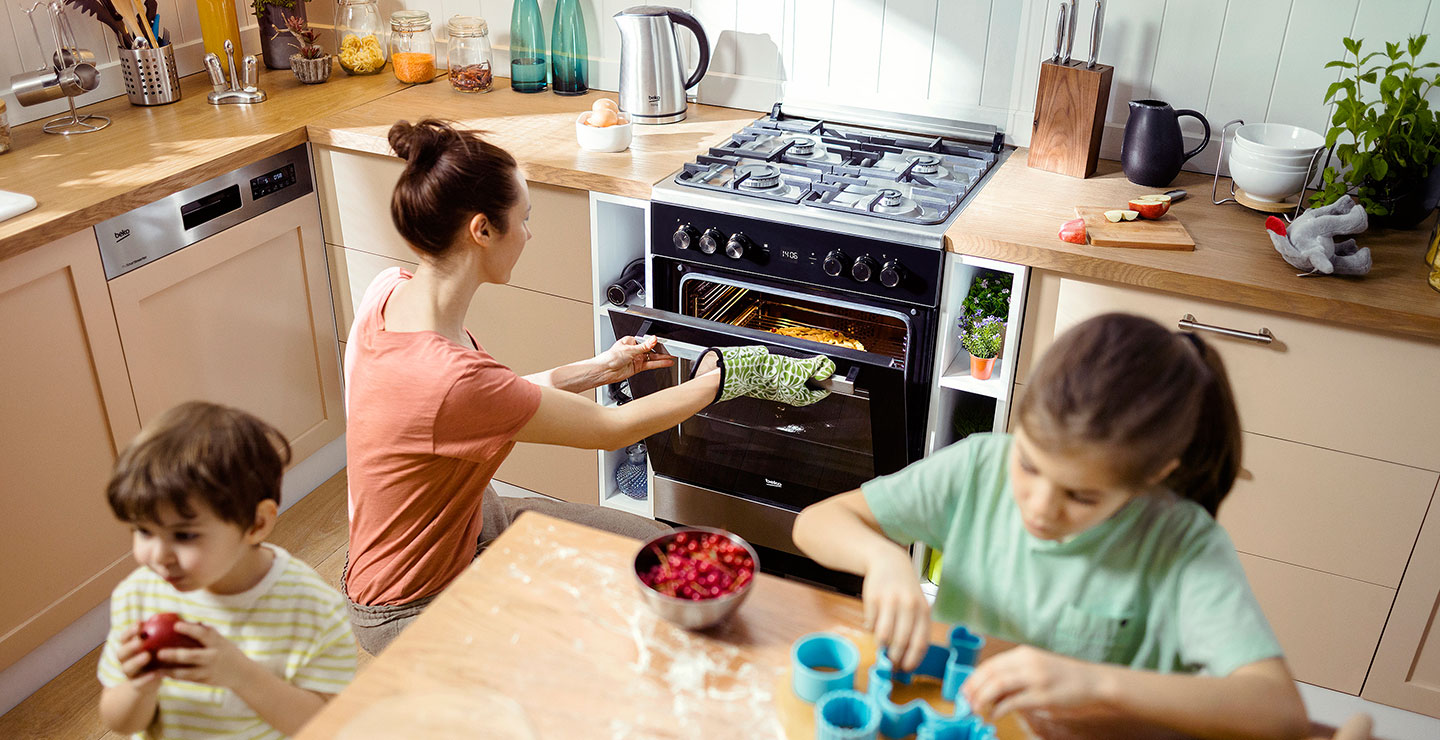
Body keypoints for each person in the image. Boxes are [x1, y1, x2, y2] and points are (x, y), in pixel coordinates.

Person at [342, 119, 834, 653]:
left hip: (472, 525)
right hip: (412, 599)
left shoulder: (389, 293)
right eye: (524, 219)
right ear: (482, 229)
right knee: (597, 650)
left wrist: (603, 367)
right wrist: (728, 376)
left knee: (654, 550)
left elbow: (486, 403)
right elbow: (609, 427)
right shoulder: (448, 379)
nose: (530, 234)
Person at [792, 313, 1310, 740]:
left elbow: (1278, 710)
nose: (1039, 507)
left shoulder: (1181, 544)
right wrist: (881, 558)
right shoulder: (980, 469)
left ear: (1153, 477)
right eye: (1029, 464)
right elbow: (817, 523)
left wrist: (1097, 684)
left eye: (1082, 496)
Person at [98, 401, 357, 738]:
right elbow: (118, 722)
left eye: (184, 535)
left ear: (256, 523)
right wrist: (139, 688)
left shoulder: (312, 610)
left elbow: (326, 727)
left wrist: (240, 674)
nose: (159, 556)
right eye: (144, 531)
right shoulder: (138, 596)